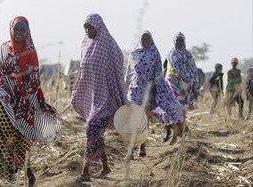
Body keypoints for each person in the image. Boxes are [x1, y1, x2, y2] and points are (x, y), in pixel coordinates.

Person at [0, 16, 61, 187]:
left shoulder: (30, 53)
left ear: (27, 31)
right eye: (16, 29)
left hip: (21, 103)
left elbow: (34, 81)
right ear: (11, 29)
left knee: (20, 139)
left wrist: (28, 100)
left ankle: (29, 175)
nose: (19, 33)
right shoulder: (2, 49)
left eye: (23, 30)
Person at [71, 13, 127, 182]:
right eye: (85, 27)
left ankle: (85, 171)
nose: (87, 30)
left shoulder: (109, 46)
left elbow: (118, 64)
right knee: (96, 135)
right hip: (92, 99)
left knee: (91, 131)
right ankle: (105, 166)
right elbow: (83, 71)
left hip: (106, 100)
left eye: (90, 27)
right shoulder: (85, 45)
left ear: (99, 27)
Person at [124, 30, 186, 160]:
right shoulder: (134, 54)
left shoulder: (154, 54)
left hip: (148, 92)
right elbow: (129, 73)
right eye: (143, 39)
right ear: (139, 40)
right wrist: (124, 88)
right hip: (134, 91)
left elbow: (158, 74)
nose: (145, 42)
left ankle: (140, 147)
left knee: (143, 119)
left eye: (147, 39)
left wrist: (158, 91)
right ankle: (133, 148)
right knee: (135, 119)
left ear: (151, 40)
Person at [164, 32, 199, 110]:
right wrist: (183, 82)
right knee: (175, 102)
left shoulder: (188, 54)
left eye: (181, 40)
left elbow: (192, 68)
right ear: (174, 42)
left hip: (186, 83)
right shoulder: (172, 53)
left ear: (184, 41)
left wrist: (192, 81)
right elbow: (177, 69)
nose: (179, 42)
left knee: (184, 103)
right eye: (177, 40)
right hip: (173, 82)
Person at [225, 57, 244, 122]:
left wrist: (240, 89)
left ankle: (240, 116)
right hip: (230, 90)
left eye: (235, 63)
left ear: (237, 64)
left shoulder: (238, 71)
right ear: (231, 64)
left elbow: (239, 80)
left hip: (237, 90)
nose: (234, 64)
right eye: (233, 63)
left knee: (241, 103)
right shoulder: (229, 72)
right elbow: (231, 80)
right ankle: (228, 117)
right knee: (229, 104)